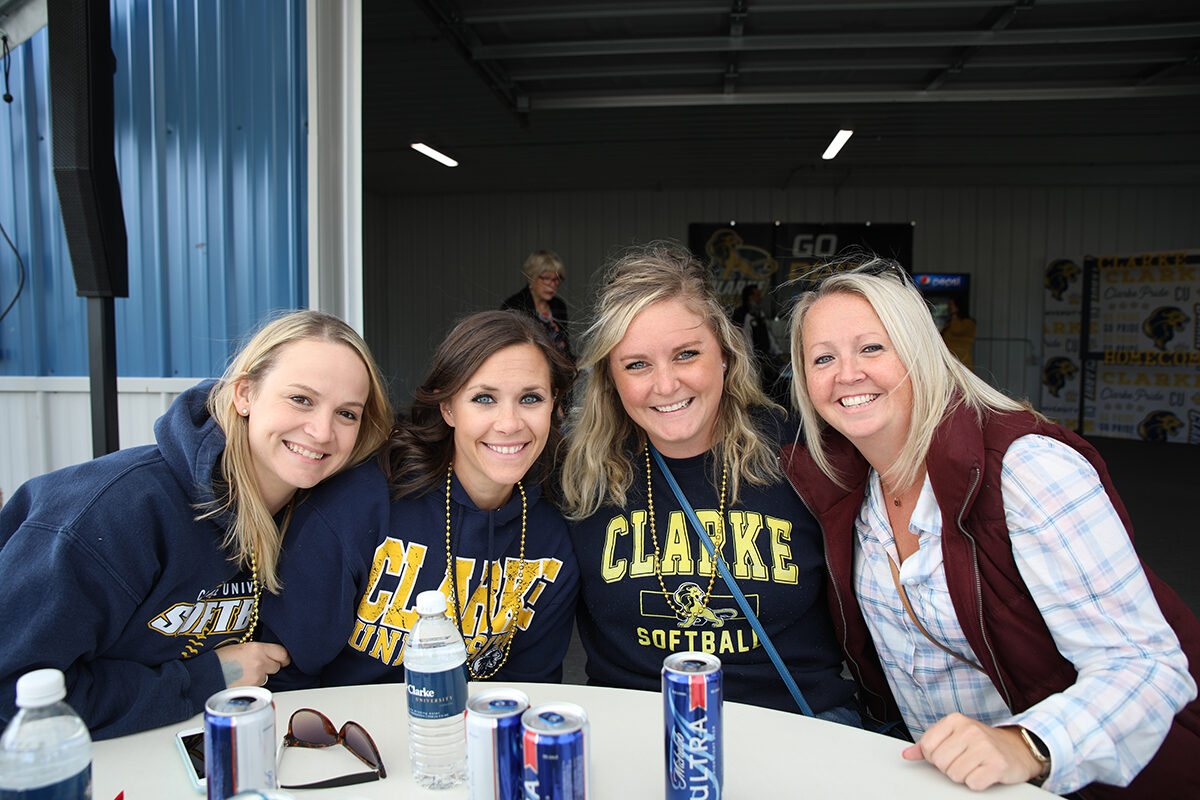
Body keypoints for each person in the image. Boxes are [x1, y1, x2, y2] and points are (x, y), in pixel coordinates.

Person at [782, 258, 1200, 797]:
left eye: (872, 348)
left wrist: (1026, 745)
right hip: (945, 782)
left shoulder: (1026, 469)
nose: (847, 374)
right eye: (823, 358)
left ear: (919, 351)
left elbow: (1147, 665)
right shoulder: (846, 492)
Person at [0, 310, 393, 739]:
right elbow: (13, 697)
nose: (321, 431)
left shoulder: (318, 512)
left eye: (347, 414)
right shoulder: (113, 513)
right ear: (244, 394)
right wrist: (207, 678)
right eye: (301, 399)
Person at [558, 243, 860, 723]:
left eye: (686, 355)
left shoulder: (807, 457)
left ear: (725, 353)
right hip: (637, 731)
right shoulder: (577, 478)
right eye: (636, 364)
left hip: (793, 728)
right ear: (610, 380)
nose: (665, 384)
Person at [262, 310, 579, 687]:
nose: (509, 423)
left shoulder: (552, 537)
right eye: (483, 399)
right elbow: (286, 677)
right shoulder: (361, 505)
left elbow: (530, 689)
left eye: (531, 398)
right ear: (447, 407)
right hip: (349, 735)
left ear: (554, 406)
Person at [501, 249, 573, 361]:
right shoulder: (514, 305)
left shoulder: (558, 305)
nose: (552, 284)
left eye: (557, 279)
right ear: (532, 277)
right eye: (547, 278)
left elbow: (565, 346)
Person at [731, 283, 785, 401]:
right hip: (749, 364)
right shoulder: (741, 315)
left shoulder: (759, 313)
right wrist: (750, 362)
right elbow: (744, 340)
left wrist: (777, 351)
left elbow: (768, 335)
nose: (760, 298)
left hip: (764, 362)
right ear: (750, 297)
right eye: (757, 295)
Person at [940, 295, 976, 369]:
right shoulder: (949, 324)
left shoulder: (969, 323)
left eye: (951, 305)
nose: (949, 308)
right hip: (949, 362)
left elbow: (956, 330)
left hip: (962, 362)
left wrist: (954, 315)